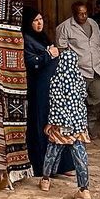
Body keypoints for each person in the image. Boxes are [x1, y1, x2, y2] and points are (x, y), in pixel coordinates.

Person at [21, 10, 73, 178]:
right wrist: (48, 55)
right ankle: (44, 166)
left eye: (41, 19)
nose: (39, 23)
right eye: (35, 20)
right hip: (39, 91)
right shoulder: (26, 40)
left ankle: (61, 164)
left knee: (57, 123)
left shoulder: (43, 38)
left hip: (52, 90)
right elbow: (30, 63)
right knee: (42, 126)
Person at [41, 48, 92, 199]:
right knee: (80, 157)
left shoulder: (56, 80)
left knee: (52, 151)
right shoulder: (79, 80)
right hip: (77, 125)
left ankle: (45, 180)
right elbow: (83, 98)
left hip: (61, 125)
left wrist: (50, 123)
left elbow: (55, 104)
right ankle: (84, 189)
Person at [55, 1, 100, 122]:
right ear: (74, 14)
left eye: (85, 13)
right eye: (80, 14)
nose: (84, 16)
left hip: (96, 69)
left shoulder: (93, 23)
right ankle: (81, 128)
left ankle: (90, 121)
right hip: (78, 72)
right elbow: (61, 51)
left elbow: (99, 44)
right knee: (76, 101)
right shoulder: (64, 27)